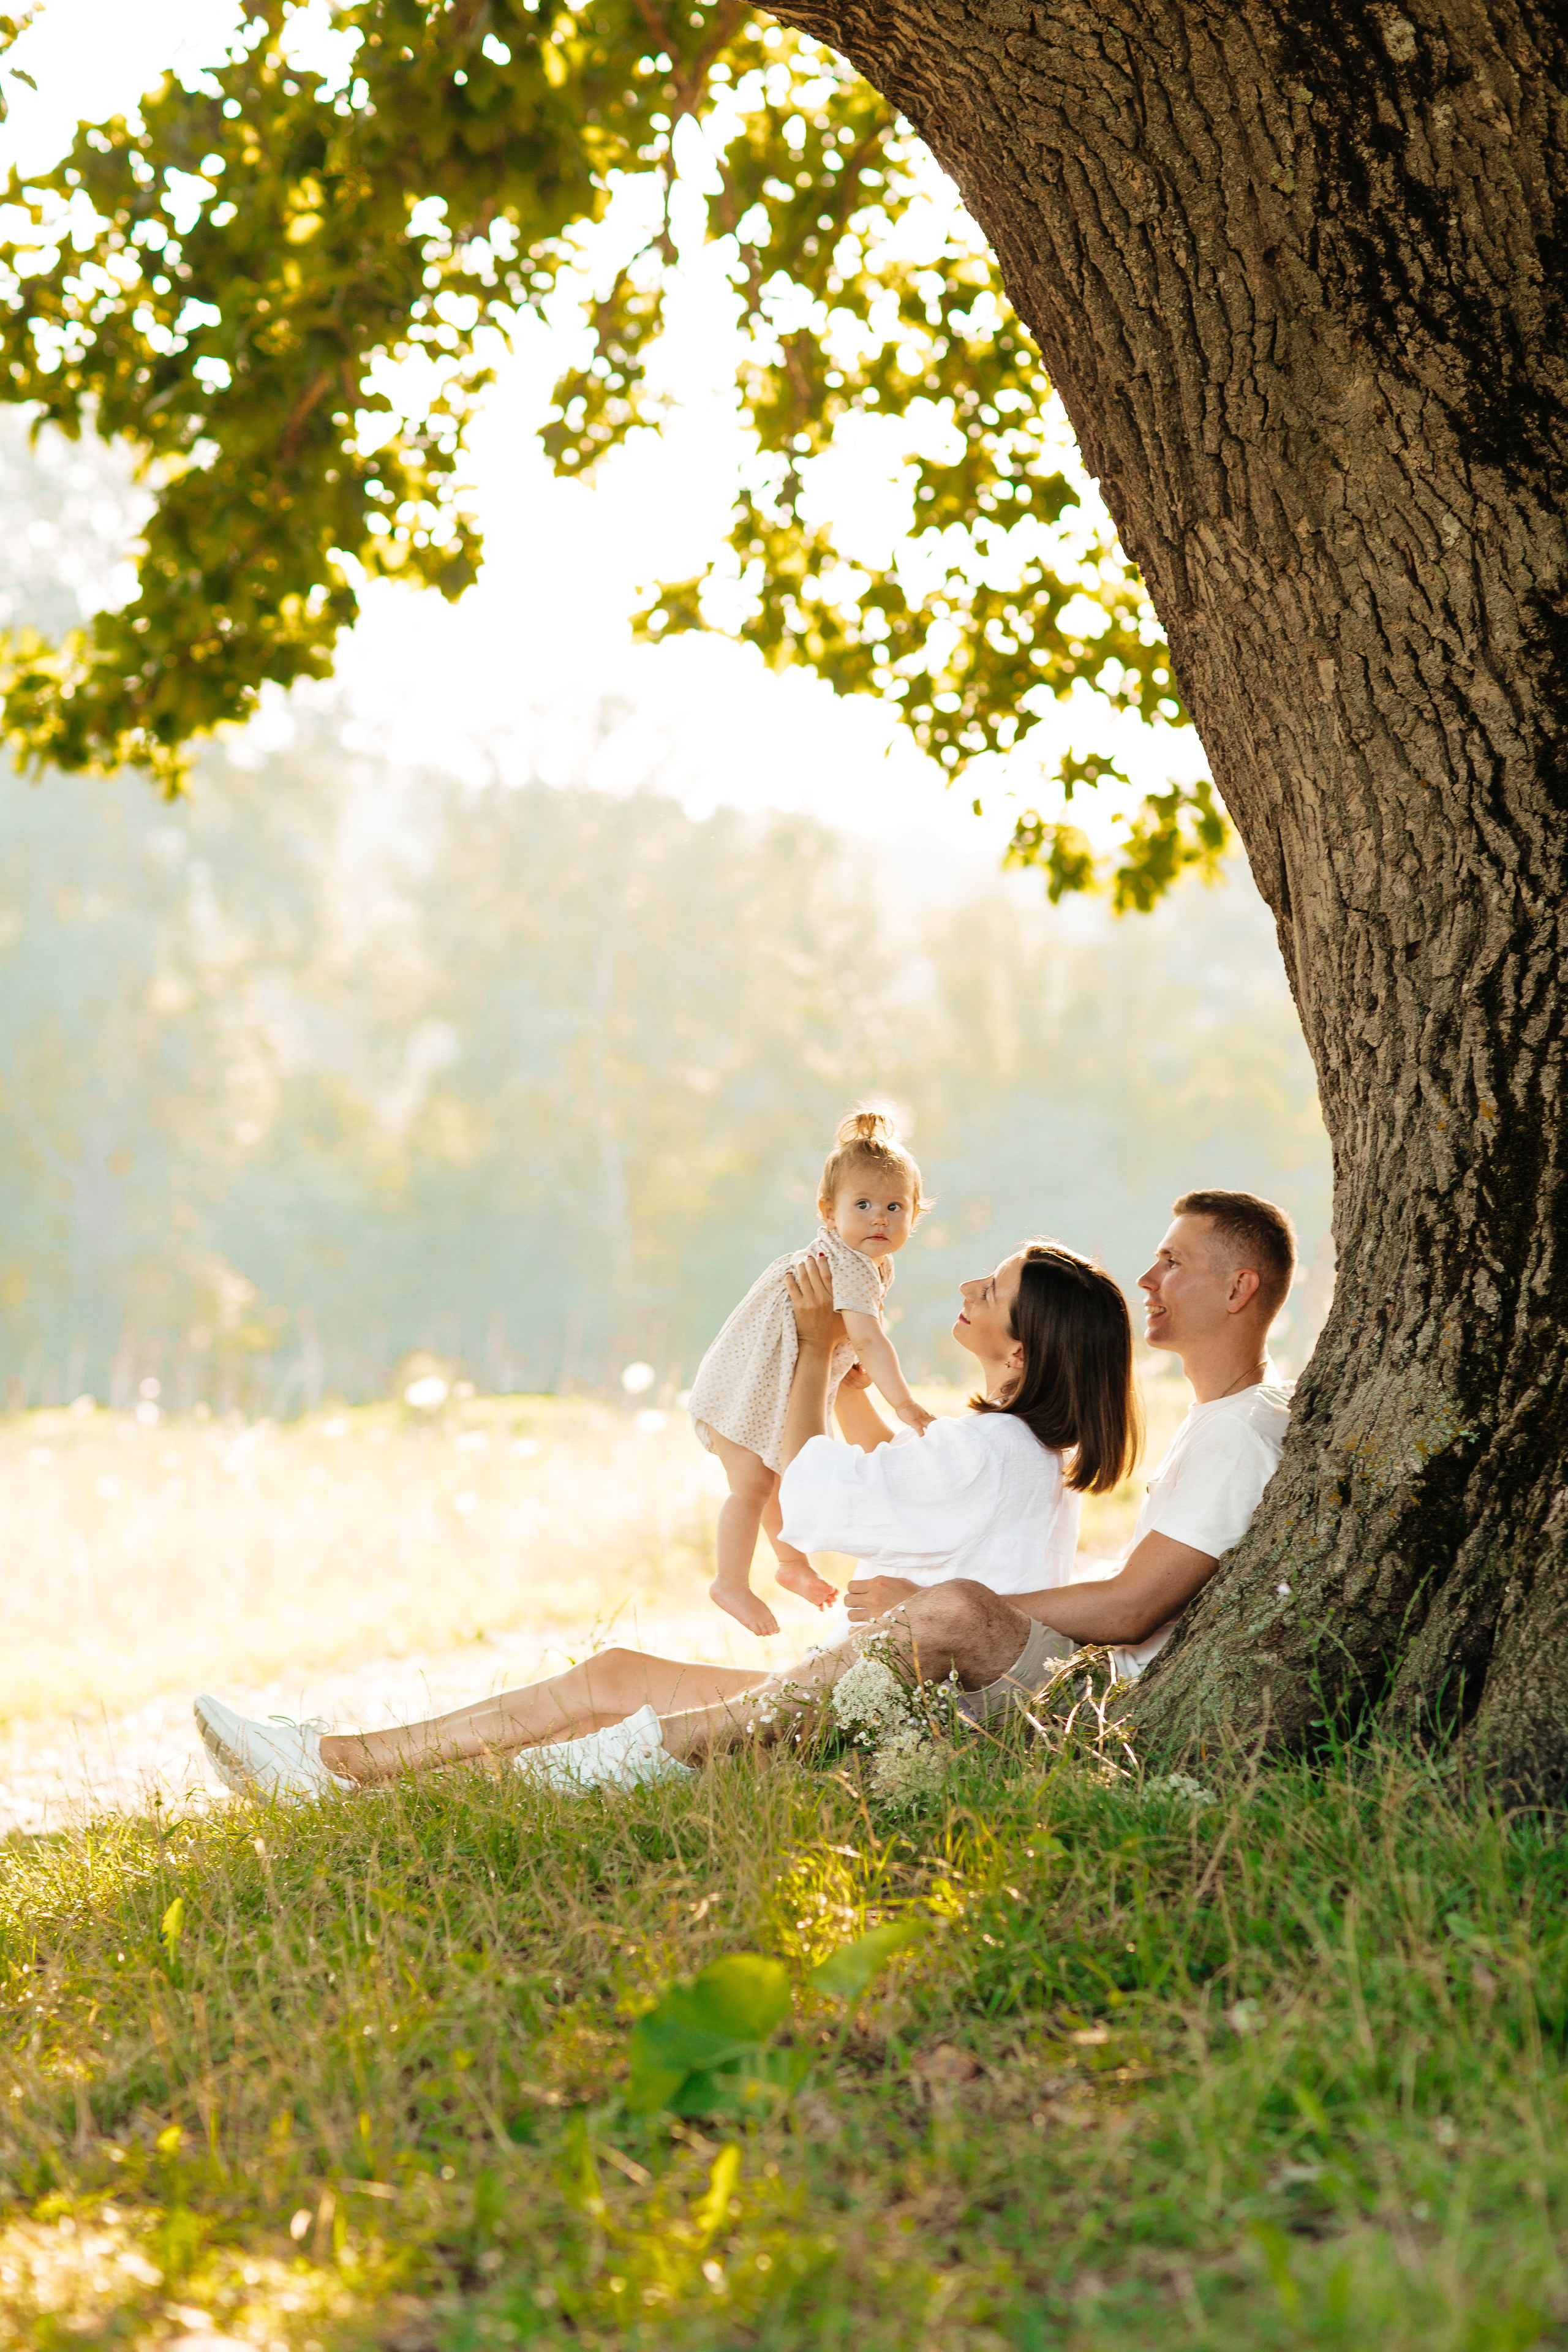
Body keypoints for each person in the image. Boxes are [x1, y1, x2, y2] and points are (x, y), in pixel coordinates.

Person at [193, 1236, 1142, 1798]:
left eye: (993, 1291)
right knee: (616, 1678)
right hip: (916, 1713)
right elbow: (906, 1489)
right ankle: (345, 1769)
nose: (971, 1289)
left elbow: (810, 1497)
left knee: (614, 1695)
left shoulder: (983, 1452)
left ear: (1016, 1358)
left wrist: (812, 1356)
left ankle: (331, 1763)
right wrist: (853, 1387)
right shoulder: (1026, 1460)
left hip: (891, 1731)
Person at [685, 1108, 936, 1638]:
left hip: (772, 1385)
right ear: (828, 1212)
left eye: (896, 1207)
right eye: (863, 1205)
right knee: (753, 1482)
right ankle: (729, 1580)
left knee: (778, 1475)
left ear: (916, 1215)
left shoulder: (872, 1264)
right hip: (744, 1386)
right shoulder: (845, 1262)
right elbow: (868, 1335)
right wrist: (903, 1403)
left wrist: (853, 1362)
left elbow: (850, 1334)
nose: (880, 1219)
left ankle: (791, 1563)